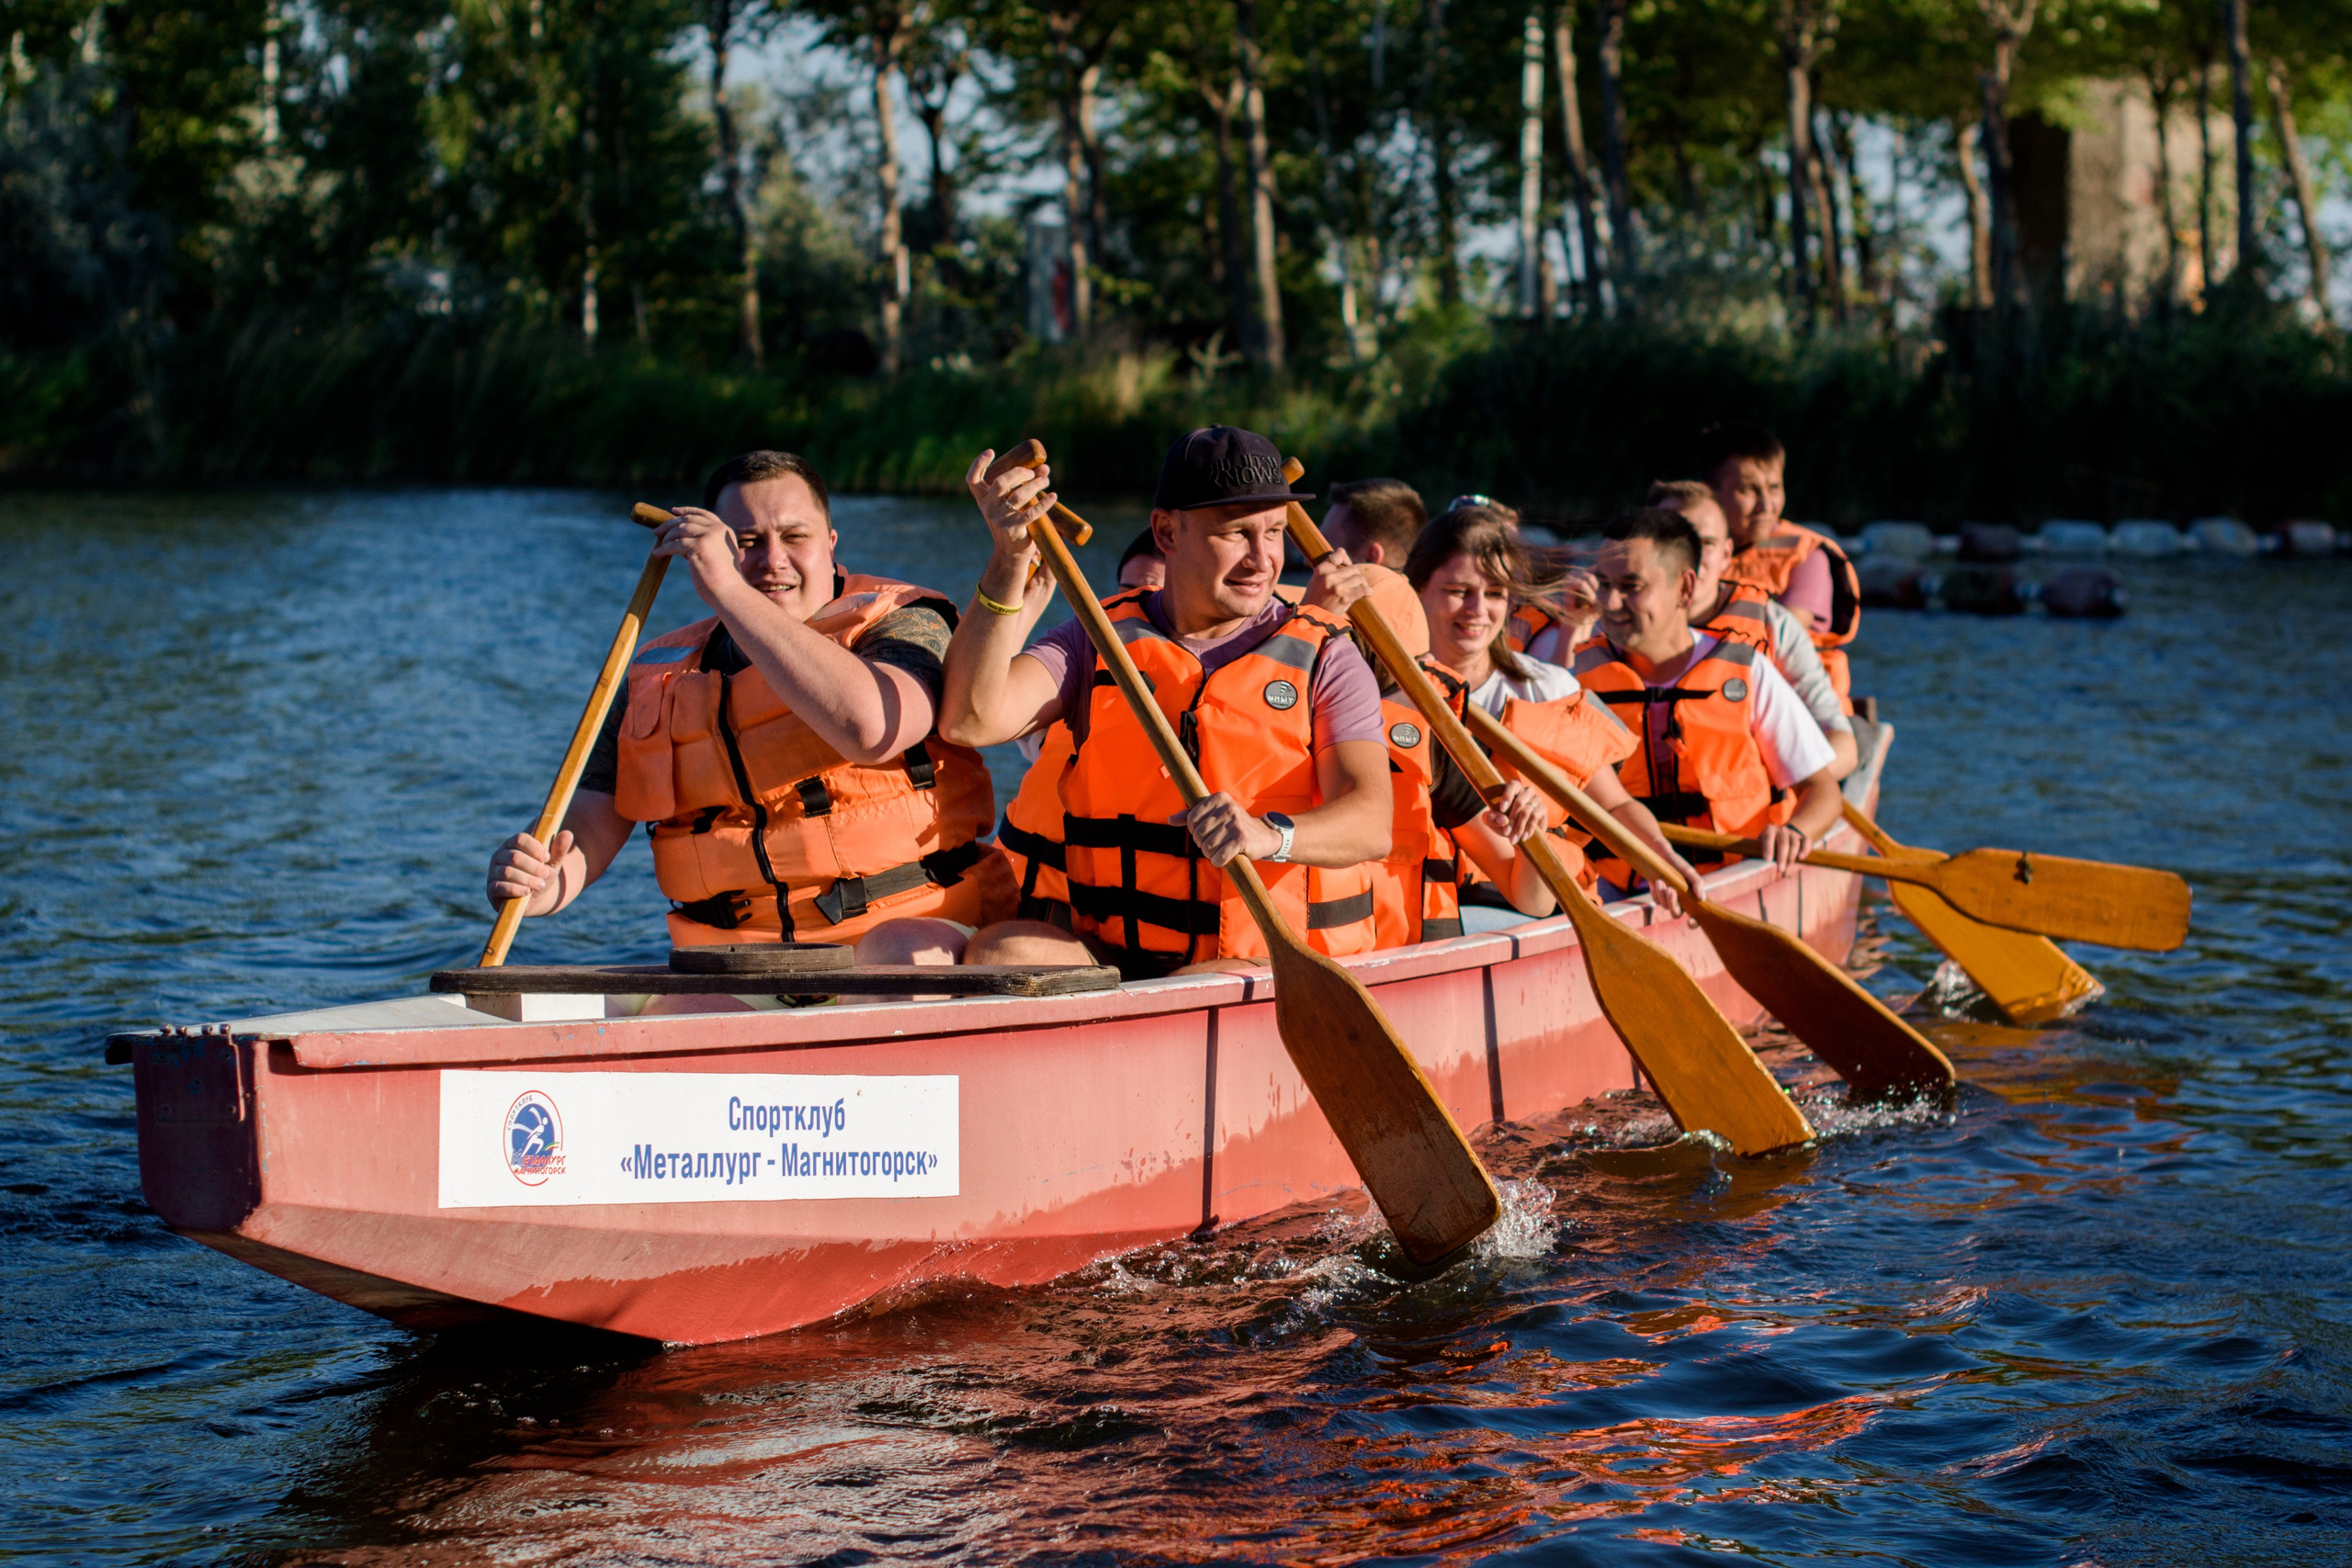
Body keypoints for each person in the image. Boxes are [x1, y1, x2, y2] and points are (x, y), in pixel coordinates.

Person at [483, 449, 1012, 967]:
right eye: (747, 543)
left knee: (891, 956)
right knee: (677, 1018)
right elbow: (591, 821)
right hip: (737, 959)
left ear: (830, 544)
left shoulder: (906, 621)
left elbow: (872, 729)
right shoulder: (655, 672)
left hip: (919, 934)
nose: (772, 560)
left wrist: (728, 590)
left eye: (794, 537)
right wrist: (544, 881)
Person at [939, 426, 1395, 979]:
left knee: (1187, 985)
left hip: (1259, 959)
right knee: (999, 953)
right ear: (1166, 532)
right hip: (1117, 951)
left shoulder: (1325, 655)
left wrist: (1268, 835)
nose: (1262, 559)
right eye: (1236, 534)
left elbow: (1371, 821)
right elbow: (970, 719)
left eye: (1274, 533)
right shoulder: (1097, 637)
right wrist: (1009, 560)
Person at [1403, 502, 1700, 926]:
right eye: (1458, 591)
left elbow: (1612, 806)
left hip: (1532, 903)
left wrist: (1661, 857)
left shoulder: (1547, 687)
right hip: (1426, 910)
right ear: (1418, 590)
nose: (1477, 610)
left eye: (1494, 594)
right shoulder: (1389, 694)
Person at [1574, 507, 1843, 893]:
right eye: (1603, 584)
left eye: (1631, 586)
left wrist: (1796, 831)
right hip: (1618, 886)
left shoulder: (1748, 671)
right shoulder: (1577, 681)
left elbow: (1822, 789)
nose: (1611, 602)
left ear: (1684, 587)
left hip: (1737, 879)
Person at [993, 529, 1167, 927]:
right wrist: (1029, 594)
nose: (1137, 609)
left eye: (1156, 598)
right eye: (1128, 591)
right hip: (1020, 911)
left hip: (1126, 936)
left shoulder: (1211, 702)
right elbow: (984, 706)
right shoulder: (1080, 679)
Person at [1647, 479, 1858, 782]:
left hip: (1752, 818)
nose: (1689, 558)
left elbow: (1841, 741)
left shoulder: (1774, 625)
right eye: (1672, 542)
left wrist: (1790, 789)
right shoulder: (1612, 626)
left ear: (1726, 553)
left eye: (1705, 544)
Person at [1700, 422, 1863, 705]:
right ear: (1710, 494)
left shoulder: (1806, 558)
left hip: (1799, 706)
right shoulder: (1693, 552)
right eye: (1749, 490)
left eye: (1774, 487)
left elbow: (1784, 642)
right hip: (1719, 694)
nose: (1766, 504)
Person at [1284, 477, 1430, 659]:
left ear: (1370, 557)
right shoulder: (1424, 628)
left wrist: (1310, 617)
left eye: (1322, 551)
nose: (1307, 560)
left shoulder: (1354, 642)